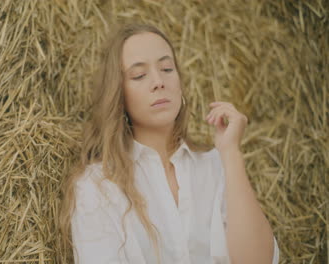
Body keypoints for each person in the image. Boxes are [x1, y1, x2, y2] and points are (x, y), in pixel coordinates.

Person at [58, 23, 280, 264]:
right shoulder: (98, 186)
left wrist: (231, 152)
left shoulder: (217, 166)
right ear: (119, 96)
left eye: (166, 68)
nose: (158, 81)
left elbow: (259, 261)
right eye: (139, 75)